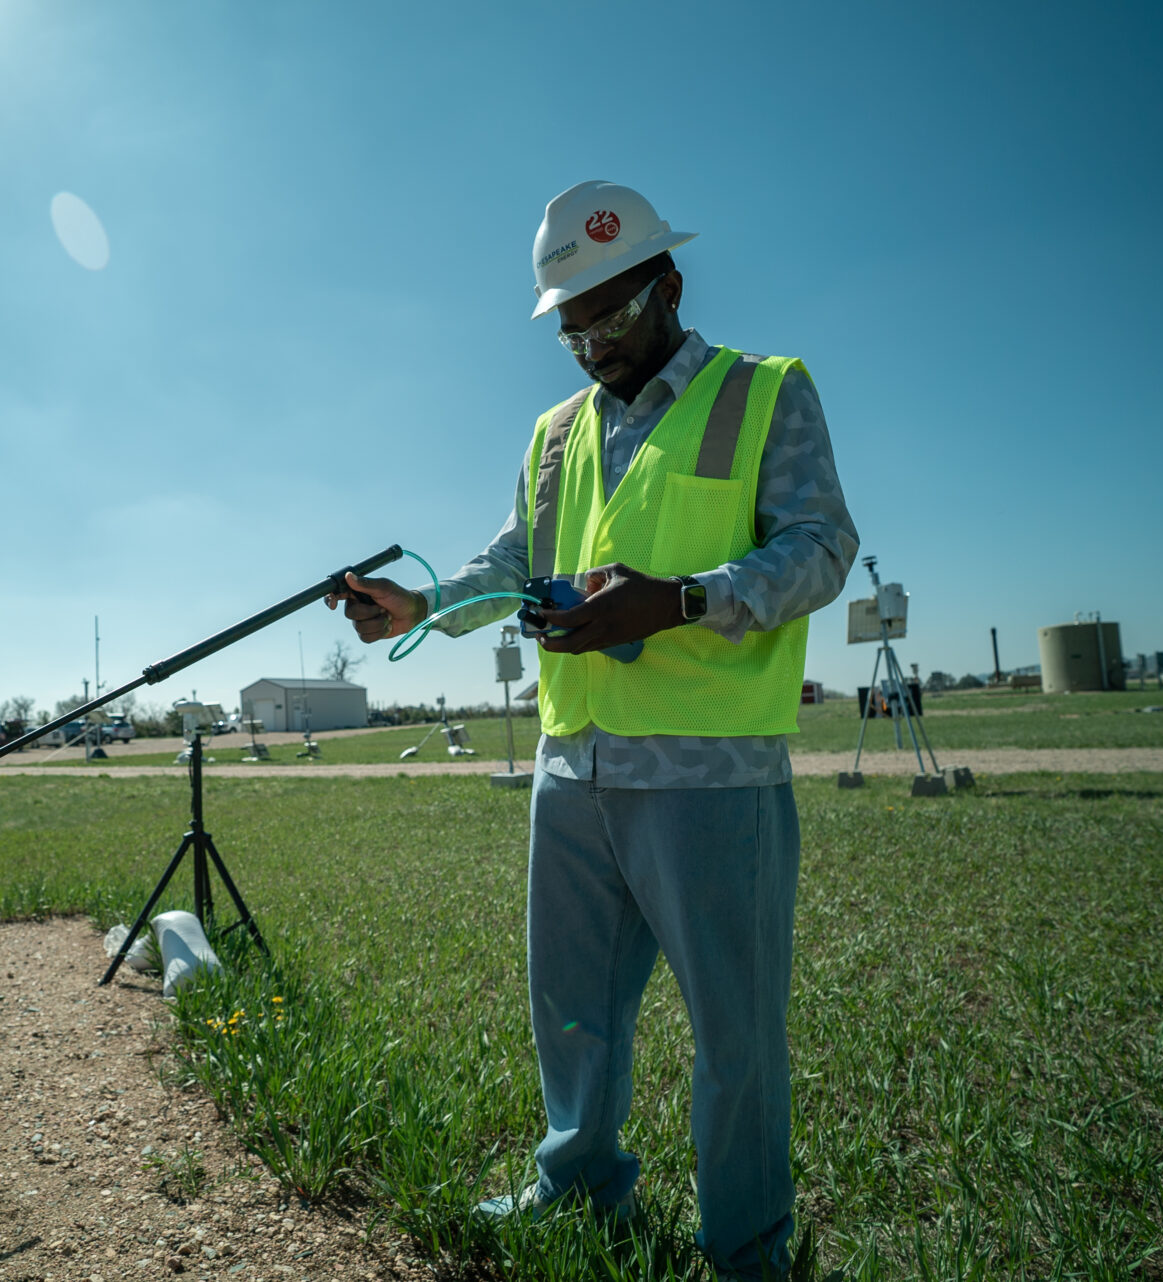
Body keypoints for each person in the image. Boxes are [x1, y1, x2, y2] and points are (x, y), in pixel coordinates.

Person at [328, 180, 858, 1279]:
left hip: (711, 774)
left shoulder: (763, 392)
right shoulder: (556, 433)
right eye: (569, 327)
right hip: (572, 774)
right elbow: (513, 561)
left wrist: (676, 598)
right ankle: (581, 1185)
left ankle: (747, 1247)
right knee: (572, 1012)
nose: (589, 344)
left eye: (607, 317)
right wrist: (422, 607)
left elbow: (818, 546)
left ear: (667, 284)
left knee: (736, 1038)